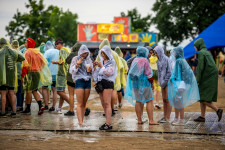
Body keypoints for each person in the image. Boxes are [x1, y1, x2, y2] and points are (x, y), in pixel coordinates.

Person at [125, 46, 159, 125]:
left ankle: (139, 119)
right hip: (145, 84)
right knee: (149, 101)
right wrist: (152, 83)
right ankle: (151, 120)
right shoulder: (145, 60)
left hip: (135, 84)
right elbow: (149, 74)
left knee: (138, 101)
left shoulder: (135, 60)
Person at [168, 46, 200, 126]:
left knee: (179, 103)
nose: (173, 54)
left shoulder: (179, 61)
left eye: (174, 52)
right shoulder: (183, 60)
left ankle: (181, 120)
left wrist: (172, 79)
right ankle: (177, 118)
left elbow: (177, 73)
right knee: (178, 102)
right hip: (182, 84)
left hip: (179, 85)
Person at [193, 38, 223, 122]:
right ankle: (202, 117)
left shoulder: (202, 53)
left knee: (201, 97)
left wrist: (197, 80)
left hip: (208, 76)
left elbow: (200, 68)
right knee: (202, 95)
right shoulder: (206, 52)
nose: (194, 47)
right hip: (210, 75)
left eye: (195, 46)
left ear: (199, 45)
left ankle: (218, 110)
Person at [96, 39, 123, 116]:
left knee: (108, 94)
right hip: (115, 74)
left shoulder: (101, 53)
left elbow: (99, 64)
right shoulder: (114, 53)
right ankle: (113, 107)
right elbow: (120, 65)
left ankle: (109, 110)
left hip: (106, 74)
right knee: (114, 90)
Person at [20, 38, 47, 115]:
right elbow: (44, 62)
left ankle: (28, 109)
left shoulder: (27, 52)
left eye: (26, 43)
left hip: (29, 73)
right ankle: (40, 105)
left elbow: (25, 65)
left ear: (29, 44)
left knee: (28, 91)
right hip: (37, 73)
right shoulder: (38, 53)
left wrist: (22, 76)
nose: (25, 44)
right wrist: (39, 68)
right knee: (34, 90)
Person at [93, 45, 117, 130]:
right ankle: (107, 122)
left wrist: (101, 67)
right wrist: (94, 67)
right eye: (101, 53)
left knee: (107, 103)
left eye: (104, 53)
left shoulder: (112, 62)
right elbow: (96, 74)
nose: (102, 54)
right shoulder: (101, 61)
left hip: (108, 83)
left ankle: (108, 123)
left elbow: (108, 73)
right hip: (100, 83)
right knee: (103, 103)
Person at [0, 38, 25, 117]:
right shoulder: (14, 52)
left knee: (3, 94)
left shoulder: (0, 52)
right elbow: (22, 58)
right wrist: (15, 60)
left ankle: (3, 111)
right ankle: (14, 111)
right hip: (11, 75)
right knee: (12, 92)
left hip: (2, 76)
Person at [70, 45, 92, 126]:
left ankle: (82, 121)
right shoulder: (75, 59)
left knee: (84, 103)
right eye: (83, 53)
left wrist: (91, 70)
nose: (84, 55)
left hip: (88, 80)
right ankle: (80, 122)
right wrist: (77, 64)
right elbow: (71, 71)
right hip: (79, 80)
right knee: (79, 103)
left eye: (86, 53)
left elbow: (92, 72)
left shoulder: (89, 60)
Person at [154, 46, 172, 123]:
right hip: (162, 83)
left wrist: (165, 81)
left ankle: (168, 118)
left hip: (168, 82)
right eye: (154, 53)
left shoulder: (167, 59)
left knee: (168, 100)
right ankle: (164, 117)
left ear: (160, 52)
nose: (155, 54)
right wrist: (160, 81)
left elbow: (169, 72)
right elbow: (159, 72)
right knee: (164, 100)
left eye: (156, 53)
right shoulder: (158, 61)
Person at [52, 39, 71, 114]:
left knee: (59, 91)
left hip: (62, 74)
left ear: (60, 44)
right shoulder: (67, 50)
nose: (56, 46)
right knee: (62, 91)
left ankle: (72, 104)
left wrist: (55, 62)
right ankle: (59, 108)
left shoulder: (62, 50)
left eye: (56, 44)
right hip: (65, 73)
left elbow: (62, 61)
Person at [65, 42, 82, 116]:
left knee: (71, 95)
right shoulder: (84, 54)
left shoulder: (72, 54)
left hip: (71, 77)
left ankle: (71, 111)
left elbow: (67, 61)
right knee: (81, 95)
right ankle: (86, 108)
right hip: (80, 77)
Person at [43, 41, 59, 112]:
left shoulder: (46, 52)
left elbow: (44, 62)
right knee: (54, 90)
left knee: (44, 88)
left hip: (48, 74)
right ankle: (53, 106)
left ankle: (46, 105)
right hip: (56, 73)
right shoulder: (58, 51)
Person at [11, 40, 24, 112]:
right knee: (20, 91)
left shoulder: (11, 53)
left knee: (13, 92)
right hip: (20, 75)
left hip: (13, 75)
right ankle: (20, 105)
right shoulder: (20, 53)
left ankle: (14, 106)